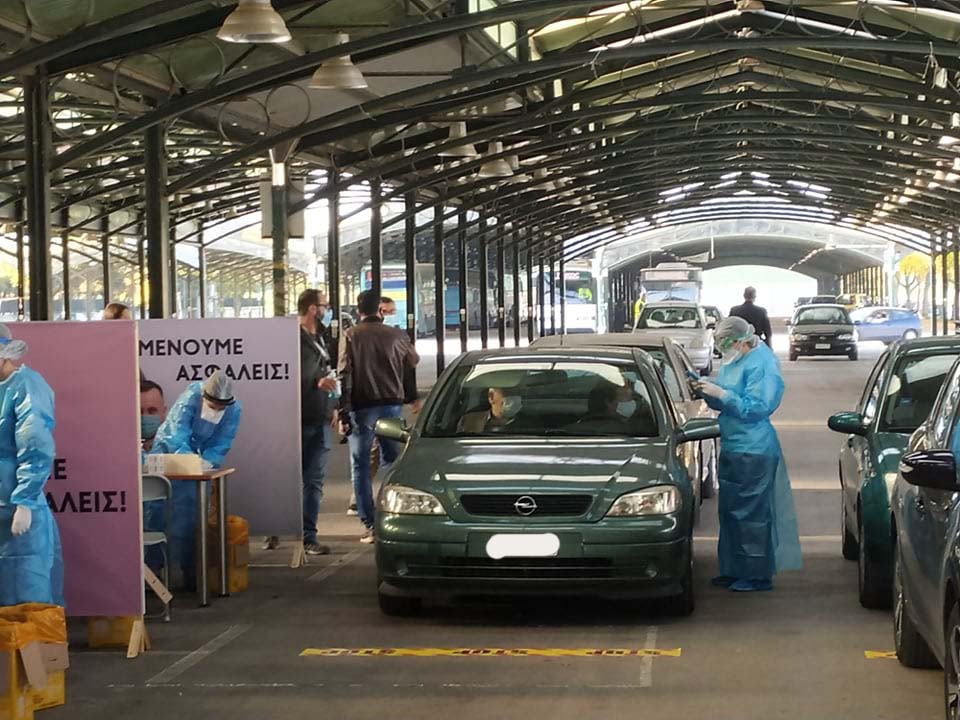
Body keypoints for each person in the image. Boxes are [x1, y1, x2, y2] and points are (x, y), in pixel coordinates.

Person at [695, 316, 801, 592]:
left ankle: (756, 574)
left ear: (741, 340)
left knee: (752, 514)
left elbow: (757, 407)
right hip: (734, 444)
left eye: (727, 345)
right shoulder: (736, 360)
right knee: (731, 512)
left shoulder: (761, 363)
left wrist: (723, 394)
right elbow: (730, 398)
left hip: (754, 448)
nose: (724, 351)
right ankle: (733, 568)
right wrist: (707, 390)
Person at [339, 289, 420, 544]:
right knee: (392, 462)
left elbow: (343, 372)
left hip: (361, 407)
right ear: (379, 309)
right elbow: (413, 361)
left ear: (358, 309)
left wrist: (342, 410)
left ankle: (370, 525)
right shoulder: (397, 335)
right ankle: (393, 515)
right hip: (391, 406)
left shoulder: (351, 335)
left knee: (361, 465)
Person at [149, 370, 241, 589]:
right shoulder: (191, 397)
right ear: (204, 397)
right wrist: (187, 459)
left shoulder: (233, 409)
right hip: (168, 457)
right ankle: (152, 575)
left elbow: (223, 440)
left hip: (200, 469)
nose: (216, 410)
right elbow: (175, 433)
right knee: (158, 515)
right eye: (212, 405)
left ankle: (192, 575)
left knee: (194, 520)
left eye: (220, 407)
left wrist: (207, 461)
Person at [0, 326, 62, 607]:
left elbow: (34, 443)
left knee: (25, 583)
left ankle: (30, 640)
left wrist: (24, 500)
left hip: (15, 501)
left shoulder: (27, 386)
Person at [281, 289, 338, 556]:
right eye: (324, 305)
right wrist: (315, 382)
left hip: (322, 415)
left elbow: (328, 370)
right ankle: (276, 528)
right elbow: (284, 375)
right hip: (298, 418)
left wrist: (335, 407)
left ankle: (308, 536)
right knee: (290, 478)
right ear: (313, 308)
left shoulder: (322, 336)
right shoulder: (289, 337)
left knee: (314, 480)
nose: (327, 309)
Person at [140, 379, 167, 452]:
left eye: (152, 411)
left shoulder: (176, 447)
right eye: (140, 412)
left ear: (164, 412)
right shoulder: (119, 446)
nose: (145, 417)